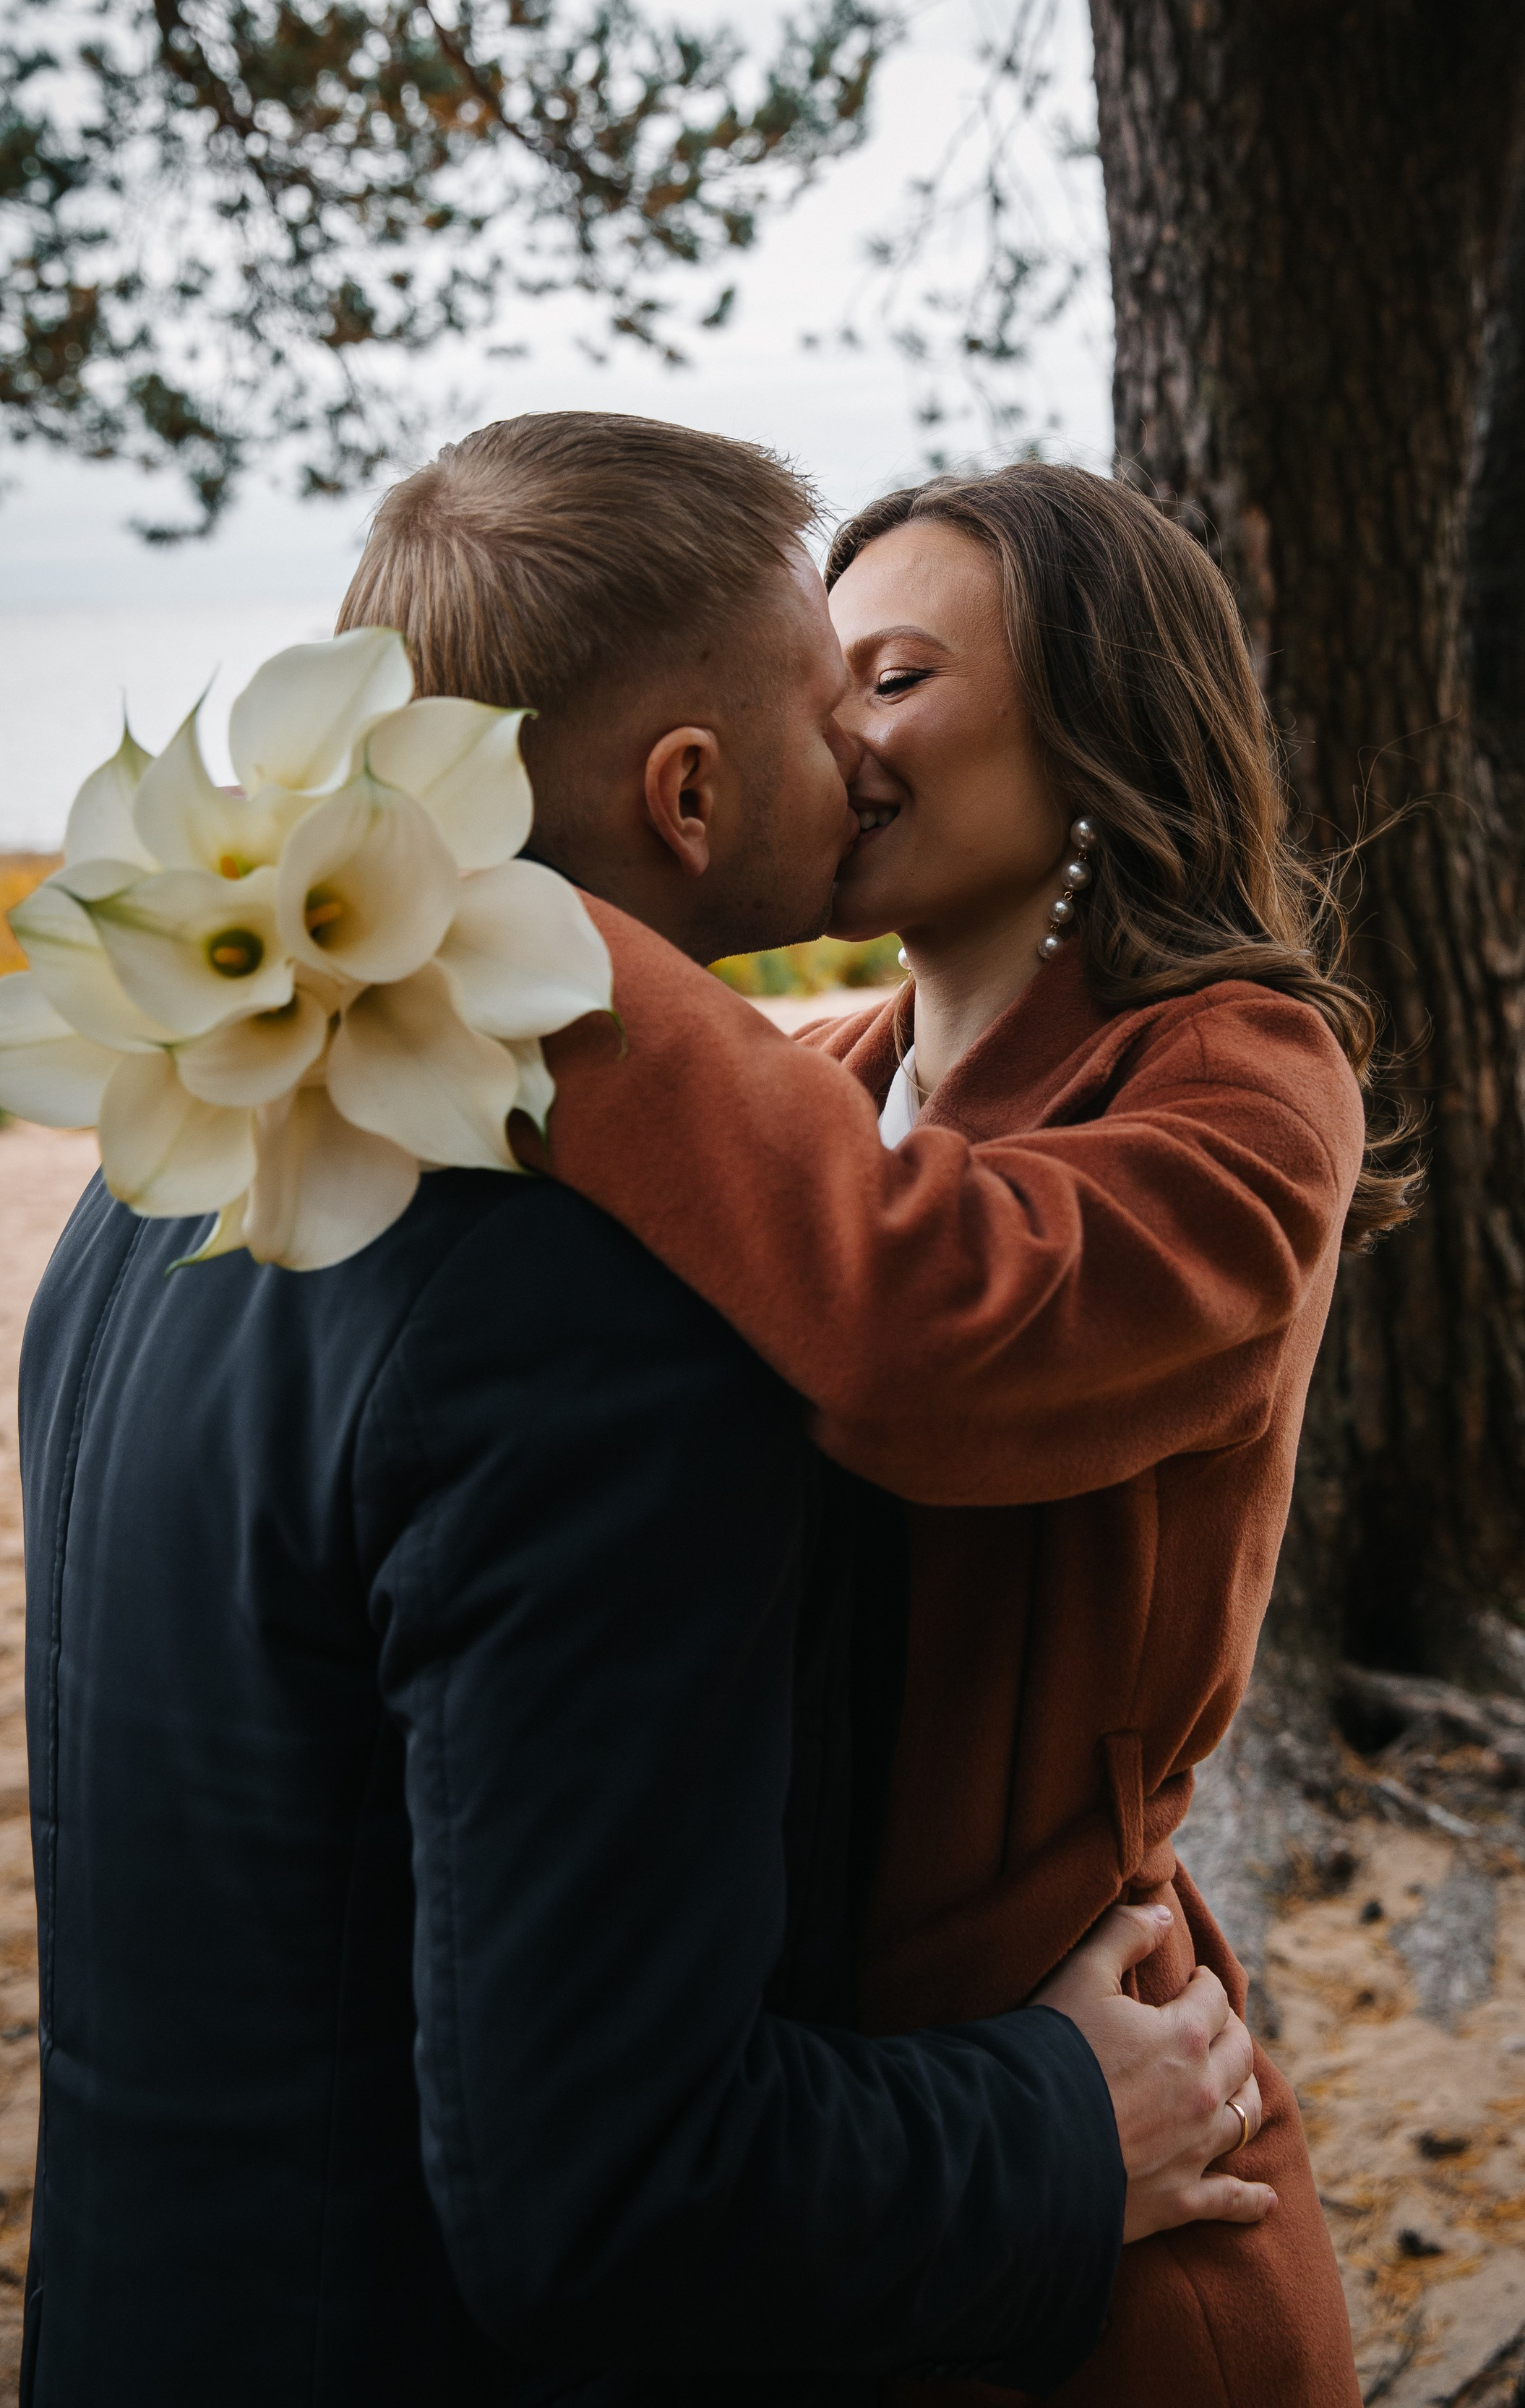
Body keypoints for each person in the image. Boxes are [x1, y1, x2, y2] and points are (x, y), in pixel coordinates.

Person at [17, 422, 1273, 2408]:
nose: (863, 751)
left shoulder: (160, 1180)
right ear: (686, 795)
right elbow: (614, 2198)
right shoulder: (587, 1300)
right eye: (825, 692)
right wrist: (1057, 2123)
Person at [342, 428, 1408, 2406]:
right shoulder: (807, 1074)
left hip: (1098, 2163)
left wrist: (515, 918)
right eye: (823, 681)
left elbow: (932, 1329)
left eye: (898, 675)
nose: (834, 729)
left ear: (1097, 724)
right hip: (809, 2150)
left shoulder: (1250, 1084)